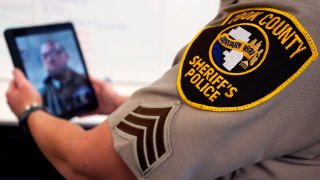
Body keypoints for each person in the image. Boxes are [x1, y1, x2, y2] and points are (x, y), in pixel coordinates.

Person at [6, 0, 320, 179]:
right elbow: (234, 124)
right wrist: (117, 104)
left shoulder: (281, 26)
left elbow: (86, 167)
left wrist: (31, 110)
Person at [39, 40, 93, 116]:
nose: (50, 59)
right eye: (45, 56)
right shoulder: (40, 94)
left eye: (54, 53)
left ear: (66, 56)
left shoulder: (86, 81)